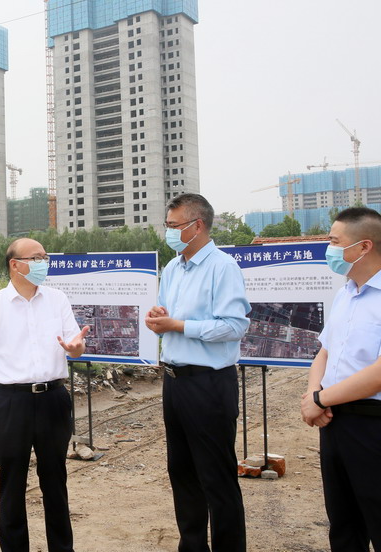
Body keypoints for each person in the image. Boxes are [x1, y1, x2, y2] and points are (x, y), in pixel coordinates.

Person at [301, 207, 381, 552]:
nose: (328, 249)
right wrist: (314, 392)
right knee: (344, 529)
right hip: (335, 423)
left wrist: (320, 400)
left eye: (334, 241)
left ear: (364, 246)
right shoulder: (346, 293)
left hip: (377, 428)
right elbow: (325, 352)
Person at [0, 238, 89, 552]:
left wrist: (76, 348)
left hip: (53, 400)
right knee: (12, 482)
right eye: (36, 257)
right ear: (15, 264)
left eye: (45, 257)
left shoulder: (57, 299)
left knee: (55, 480)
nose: (43, 263)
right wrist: (8, 386)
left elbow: (75, 344)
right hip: (11, 404)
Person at [145, 193, 250, 552]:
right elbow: (167, 317)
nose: (169, 232)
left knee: (216, 476)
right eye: (167, 225)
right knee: (182, 472)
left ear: (197, 226)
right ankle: (191, 545)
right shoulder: (173, 268)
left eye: (174, 226)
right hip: (175, 382)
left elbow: (234, 325)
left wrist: (178, 325)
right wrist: (159, 319)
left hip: (209, 383)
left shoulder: (223, 267)